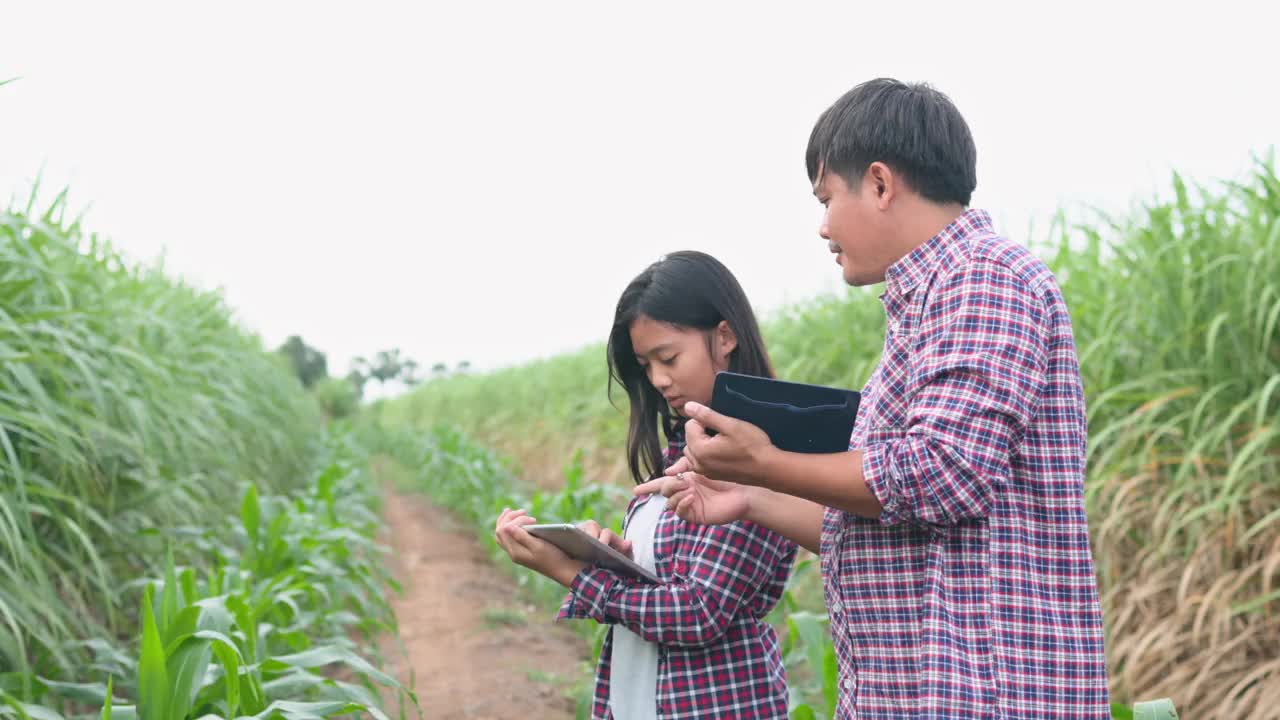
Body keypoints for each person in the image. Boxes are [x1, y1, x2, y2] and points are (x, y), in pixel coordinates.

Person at [637, 79, 1112, 718]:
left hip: (980, 693)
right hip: (915, 689)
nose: (823, 225)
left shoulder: (984, 277)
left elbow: (941, 475)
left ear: (882, 185)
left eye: (827, 197)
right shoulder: (927, 304)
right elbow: (880, 522)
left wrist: (765, 461)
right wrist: (752, 496)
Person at [493, 250, 797, 719]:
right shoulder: (686, 446)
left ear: (726, 336)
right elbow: (670, 579)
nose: (657, 379)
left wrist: (572, 574)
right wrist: (613, 558)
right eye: (645, 365)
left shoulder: (756, 453)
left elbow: (700, 611)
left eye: (668, 358)